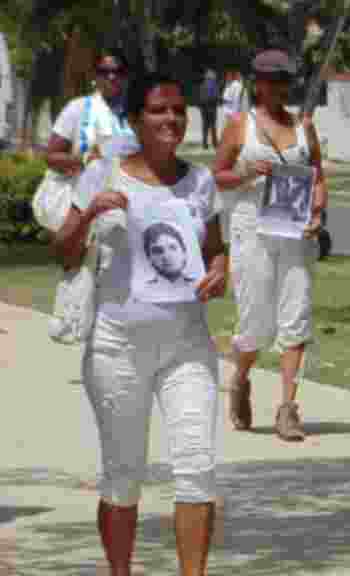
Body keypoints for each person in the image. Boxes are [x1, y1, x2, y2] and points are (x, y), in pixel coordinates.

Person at [53, 71, 226, 576]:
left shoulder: (201, 182)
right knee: (124, 477)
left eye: (178, 109)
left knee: (197, 470)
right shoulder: (103, 174)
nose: (170, 119)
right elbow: (63, 255)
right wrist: (88, 216)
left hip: (187, 347)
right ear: (135, 120)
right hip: (117, 346)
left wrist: (220, 270)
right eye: (158, 110)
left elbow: (215, 253)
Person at [212, 49, 327, 442]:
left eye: (284, 80)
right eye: (269, 80)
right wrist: (245, 172)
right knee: (255, 323)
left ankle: (288, 409)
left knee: (296, 316)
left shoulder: (303, 125)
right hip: (252, 231)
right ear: (256, 83)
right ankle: (241, 378)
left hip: (293, 232)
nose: (277, 87)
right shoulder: (239, 126)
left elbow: (318, 176)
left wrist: (317, 212)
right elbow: (218, 176)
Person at [45, 48, 137, 189]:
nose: (111, 77)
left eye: (118, 71)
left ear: (126, 76)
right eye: (104, 72)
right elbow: (51, 156)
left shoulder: (138, 114)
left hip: (127, 197)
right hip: (83, 199)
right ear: (95, 76)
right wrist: (85, 159)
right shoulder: (77, 108)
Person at [143, 222, 196, 286]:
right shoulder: (145, 289)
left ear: (184, 252)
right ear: (149, 258)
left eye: (173, 248)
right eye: (158, 251)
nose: (166, 256)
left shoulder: (197, 284)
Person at [199, 69, 220, 149]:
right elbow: (216, 97)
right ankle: (214, 143)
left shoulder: (202, 85)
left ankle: (204, 144)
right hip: (212, 108)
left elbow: (200, 98)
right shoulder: (214, 85)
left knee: (205, 127)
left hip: (204, 109)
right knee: (213, 126)